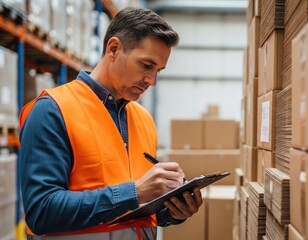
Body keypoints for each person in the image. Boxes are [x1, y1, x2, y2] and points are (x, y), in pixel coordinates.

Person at [19, 7, 203, 240]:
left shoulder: (143, 119)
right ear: (114, 48)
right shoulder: (52, 110)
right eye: (146, 65)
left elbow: (136, 210)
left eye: (159, 70)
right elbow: (42, 211)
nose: (152, 81)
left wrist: (173, 211)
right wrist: (135, 192)